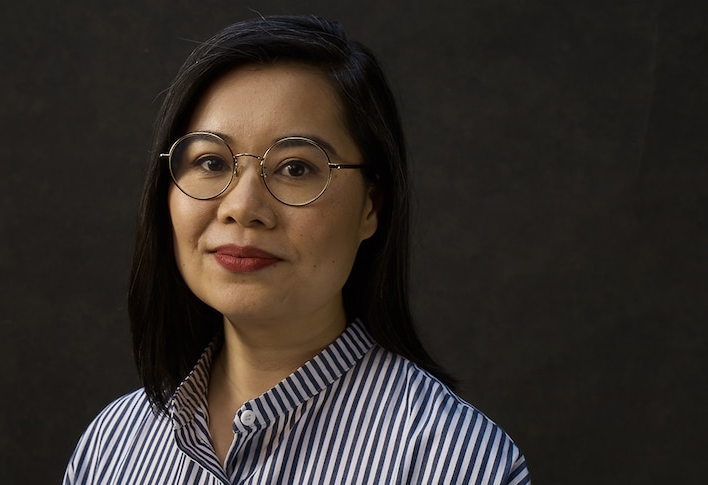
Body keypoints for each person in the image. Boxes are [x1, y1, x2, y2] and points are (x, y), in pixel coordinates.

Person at [64, 14, 530, 484]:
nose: (243, 207)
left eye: (296, 168)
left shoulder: (457, 463)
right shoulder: (113, 445)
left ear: (371, 206)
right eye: (211, 161)